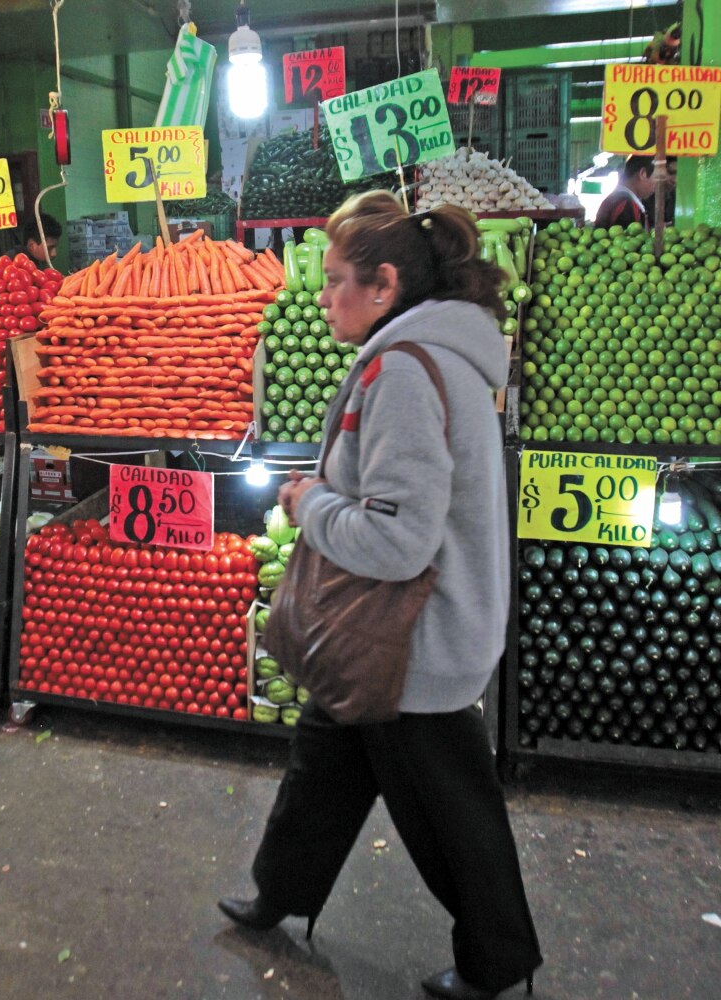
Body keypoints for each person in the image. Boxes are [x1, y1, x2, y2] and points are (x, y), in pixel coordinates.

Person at [218, 191, 543, 1000]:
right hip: (388, 632)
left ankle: (497, 962)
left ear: (385, 284)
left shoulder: (403, 372)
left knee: (450, 816)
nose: (323, 297)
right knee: (323, 766)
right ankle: (279, 893)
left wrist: (309, 505)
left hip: (413, 641)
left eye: (336, 281)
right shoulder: (426, 356)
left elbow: (399, 542)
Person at [595, 154, 676, 229]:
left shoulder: (617, 199)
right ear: (643, 174)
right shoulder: (626, 204)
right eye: (657, 178)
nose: (658, 185)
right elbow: (628, 238)